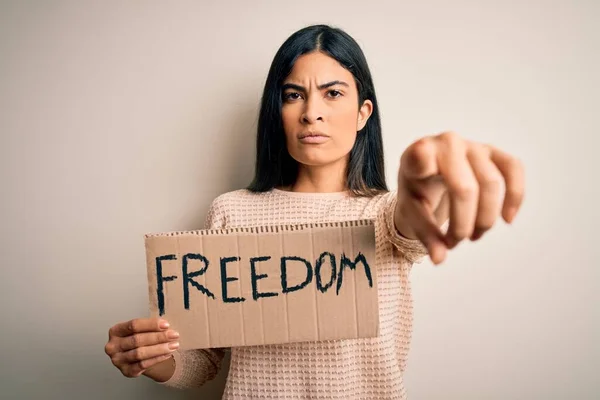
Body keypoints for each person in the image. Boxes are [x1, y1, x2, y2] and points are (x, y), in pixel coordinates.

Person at [104, 24, 524, 399]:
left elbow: (411, 221)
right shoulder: (231, 212)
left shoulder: (384, 214)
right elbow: (207, 362)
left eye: (333, 93)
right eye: (293, 95)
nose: (311, 112)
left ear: (363, 114)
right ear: (279, 111)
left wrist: (426, 181)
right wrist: (148, 356)